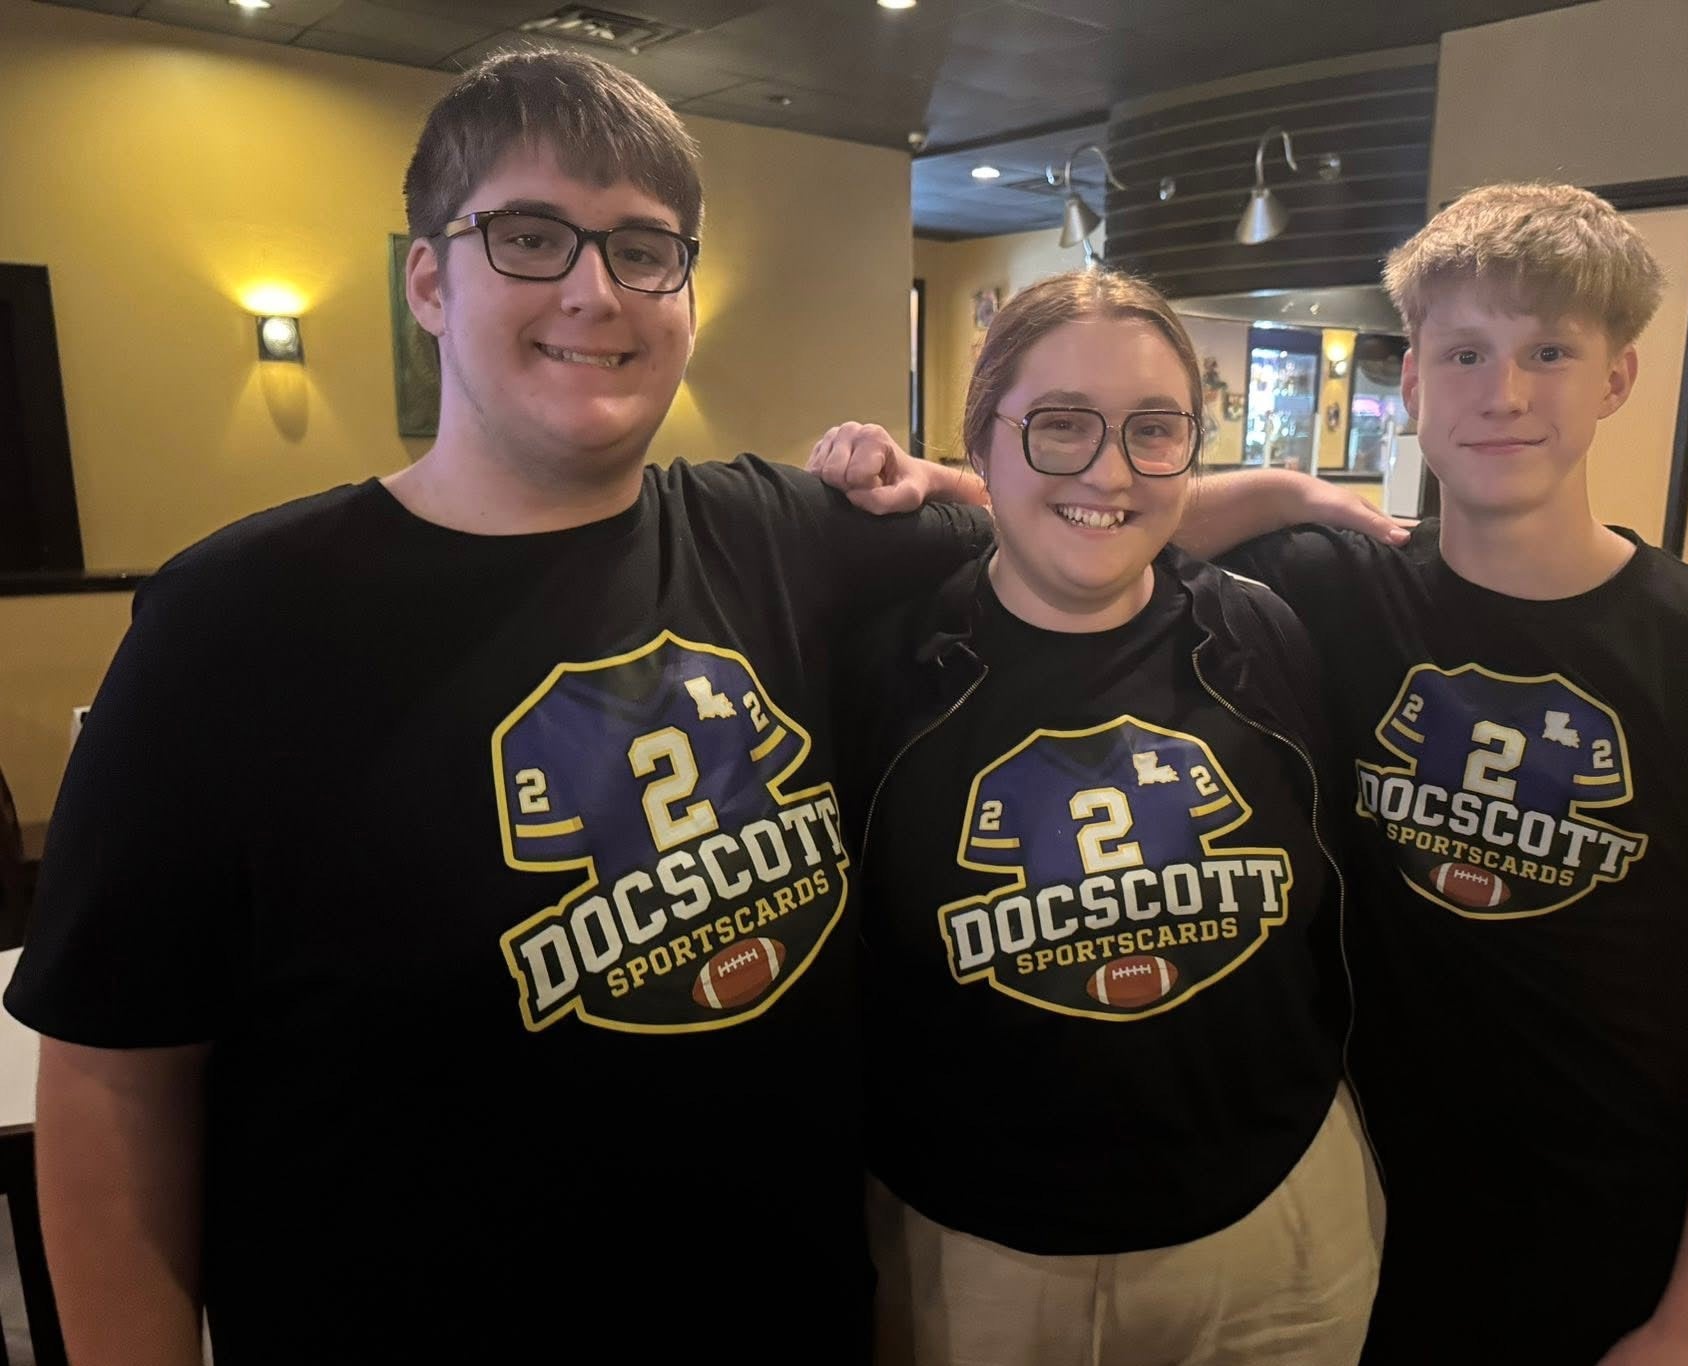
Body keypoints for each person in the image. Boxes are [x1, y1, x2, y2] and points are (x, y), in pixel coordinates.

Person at [4, 48, 993, 1363]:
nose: (596, 288)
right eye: (532, 236)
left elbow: (1078, 526)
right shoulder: (235, 620)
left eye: (645, 248)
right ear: (428, 277)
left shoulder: (774, 533)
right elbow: (114, 1079)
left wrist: (1302, 505)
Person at [817, 183, 1688, 1365]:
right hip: (1359, 1191)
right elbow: (1110, 516)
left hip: (1597, 1211)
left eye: (1548, 350)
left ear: (1616, 380)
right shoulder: (1331, 593)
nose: (1501, 392)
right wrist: (960, 488)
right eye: (1462, 352)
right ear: (1409, 384)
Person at [839, 269, 1381, 1365]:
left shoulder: (1269, 634)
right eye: (1058, 426)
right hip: (979, 1250)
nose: (1108, 468)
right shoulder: (880, 670)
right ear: (979, 445)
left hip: (1273, 1221)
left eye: (1152, 429)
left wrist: (1290, 491)